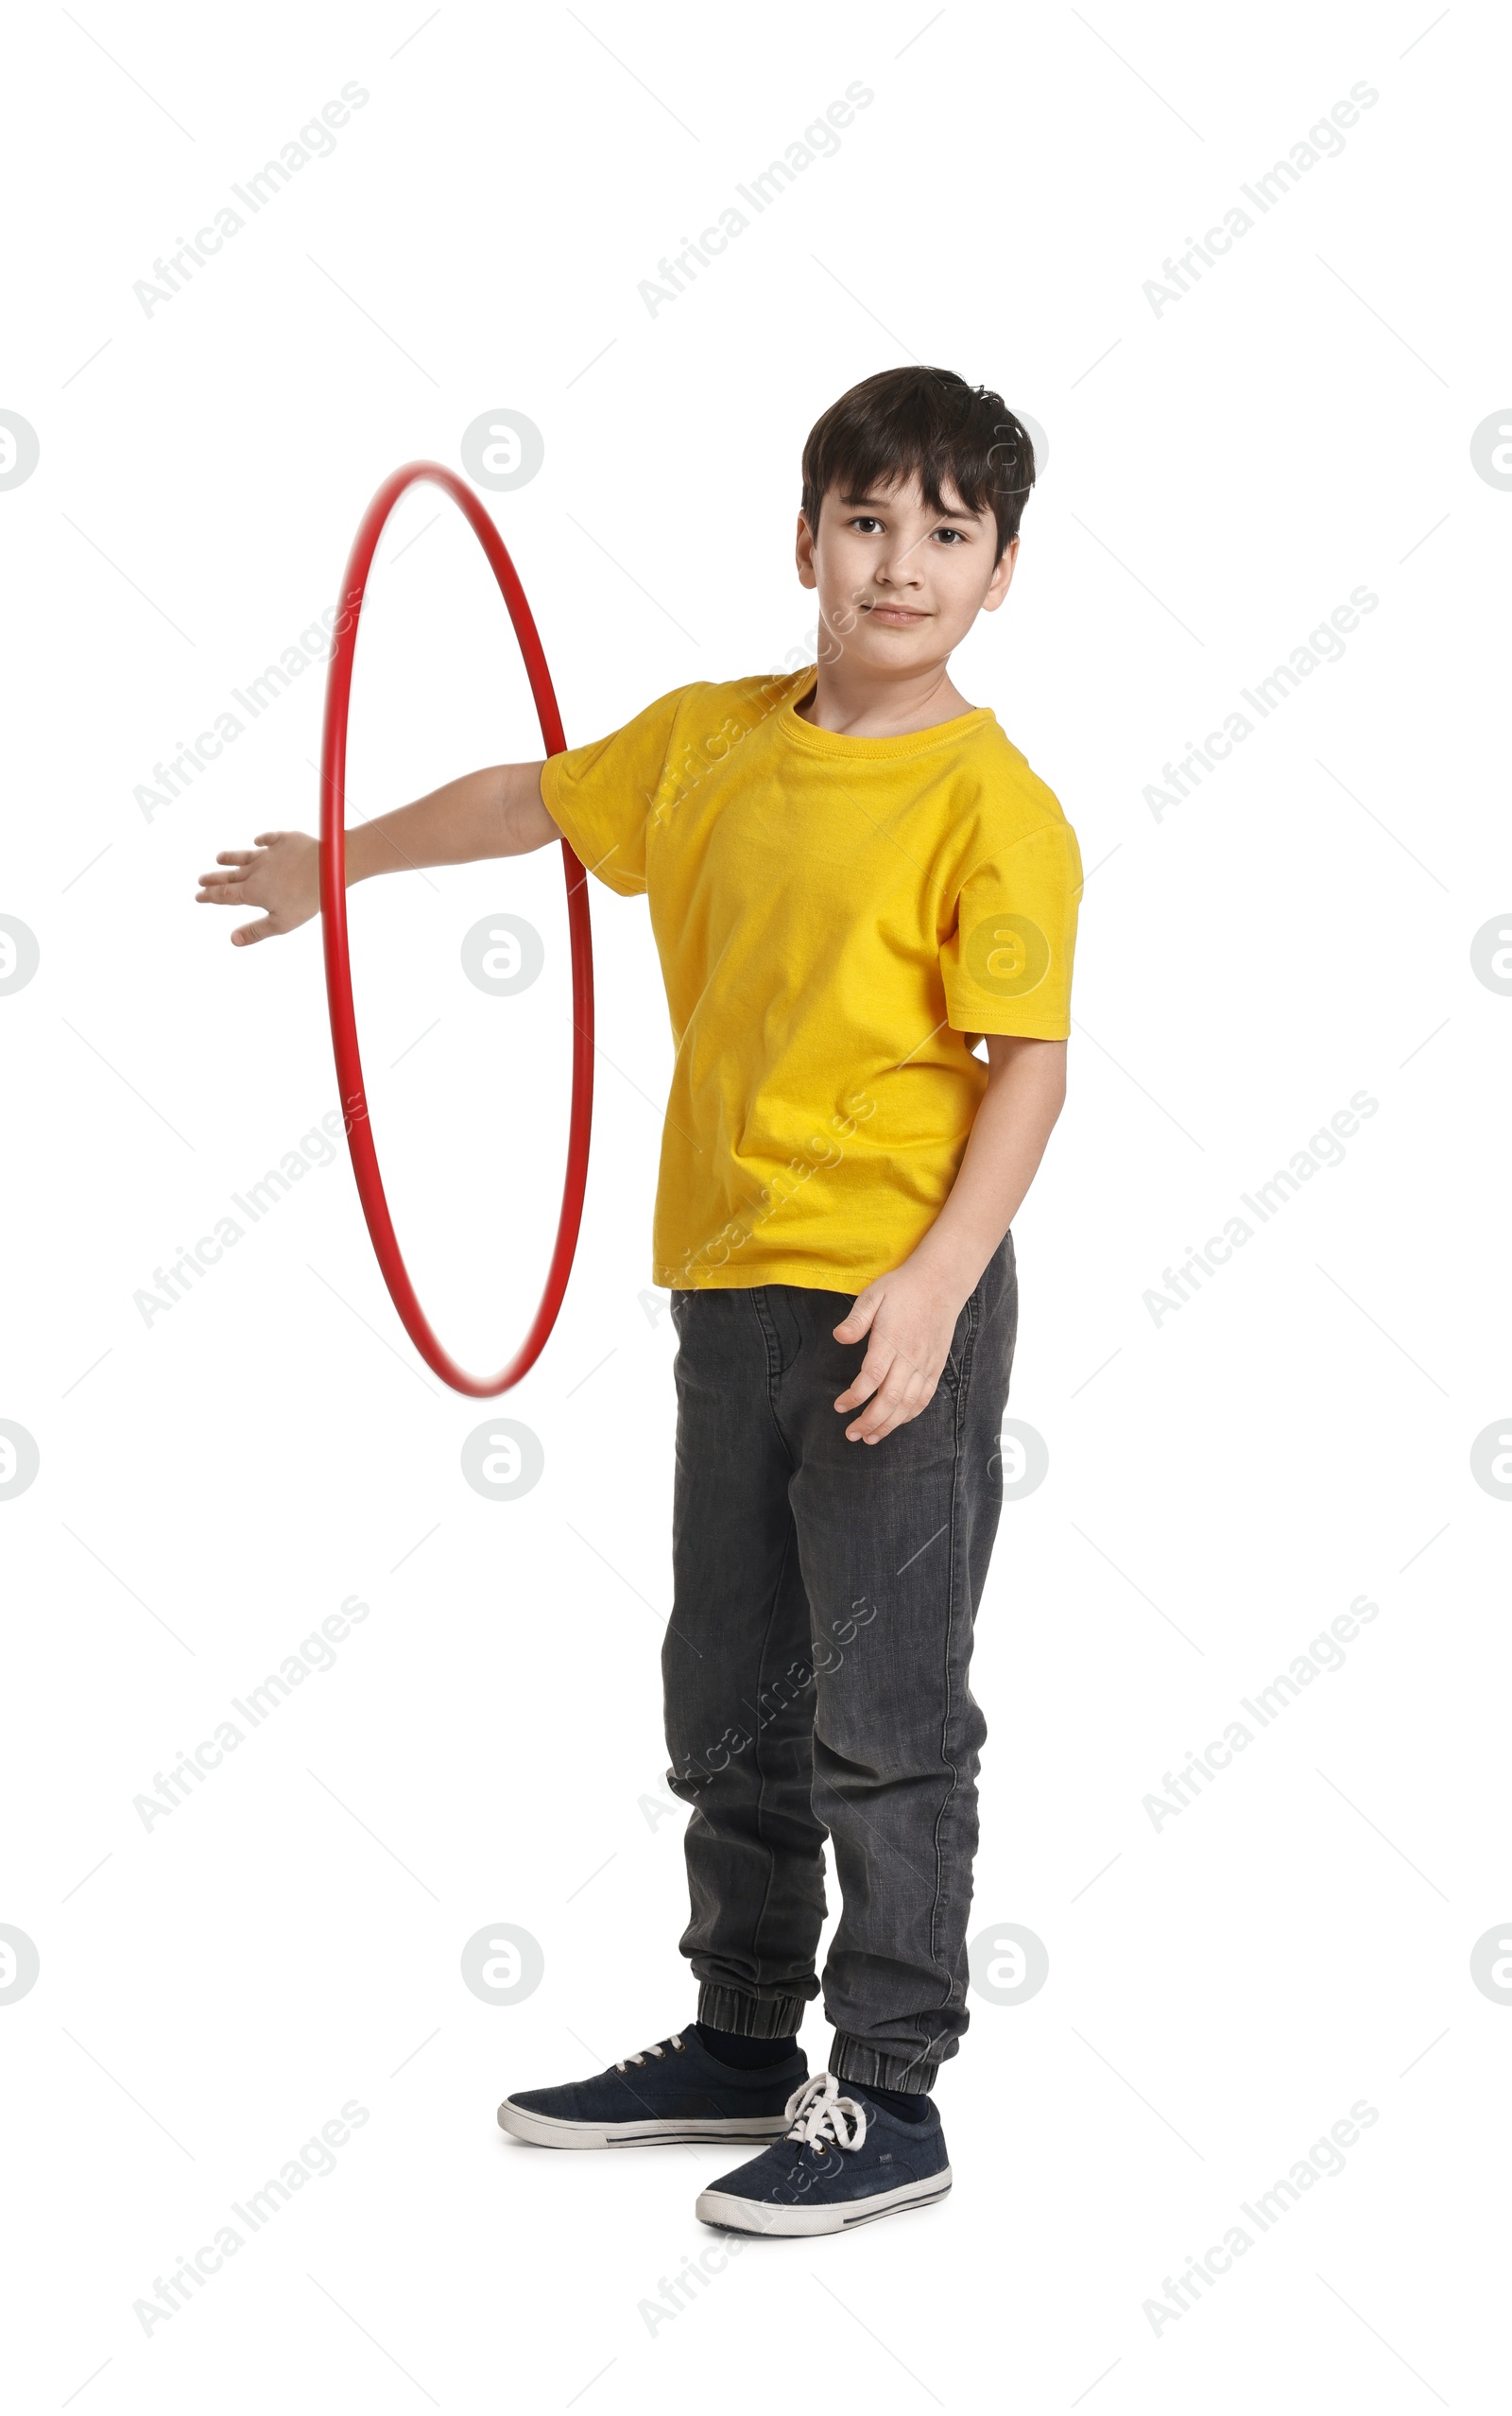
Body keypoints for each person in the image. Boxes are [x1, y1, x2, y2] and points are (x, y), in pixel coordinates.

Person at [197, 366, 1082, 2236]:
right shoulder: (704, 744)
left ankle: (892, 2097)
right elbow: (534, 795)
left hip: (888, 1306)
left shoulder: (991, 804)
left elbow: (1025, 1070)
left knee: (886, 1706)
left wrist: (932, 1285)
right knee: (730, 1686)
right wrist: (336, 867)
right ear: (804, 539)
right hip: (726, 1294)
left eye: (945, 533)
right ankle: (742, 2035)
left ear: (1000, 571)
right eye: (866, 521)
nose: (898, 563)